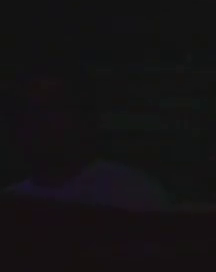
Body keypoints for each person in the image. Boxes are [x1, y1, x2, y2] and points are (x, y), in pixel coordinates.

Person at [3, 72, 171, 211]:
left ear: (83, 117)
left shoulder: (132, 192)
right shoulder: (12, 202)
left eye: (54, 108)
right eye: (33, 110)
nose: (42, 120)